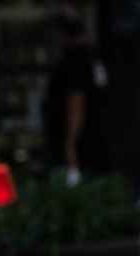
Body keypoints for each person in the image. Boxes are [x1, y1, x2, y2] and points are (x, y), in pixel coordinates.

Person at [44, 9, 110, 185]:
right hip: (96, 142)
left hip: (80, 148)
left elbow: (76, 101)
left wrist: (70, 146)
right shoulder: (93, 56)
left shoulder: (75, 60)